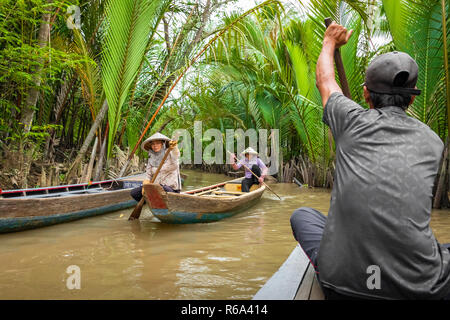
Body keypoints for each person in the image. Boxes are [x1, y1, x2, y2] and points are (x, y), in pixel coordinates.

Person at [290, 21, 450, 300]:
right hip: (418, 289)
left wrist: (329, 41)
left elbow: (325, 81)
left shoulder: (351, 121)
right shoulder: (433, 141)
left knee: (302, 216)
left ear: (365, 93)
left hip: (343, 286)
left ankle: (334, 268)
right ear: (411, 100)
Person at [130, 132, 181, 202]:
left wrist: (174, 147)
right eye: (153, 144)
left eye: (157, 143)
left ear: (162, 144)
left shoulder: (170, 153)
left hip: (170, 188)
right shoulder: (151, 158)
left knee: (162, 189)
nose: (155, 146)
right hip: (156, 188)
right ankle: (150, 203)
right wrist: (145, 187)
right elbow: (148, 176)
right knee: (134, 193)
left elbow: (176, 154)